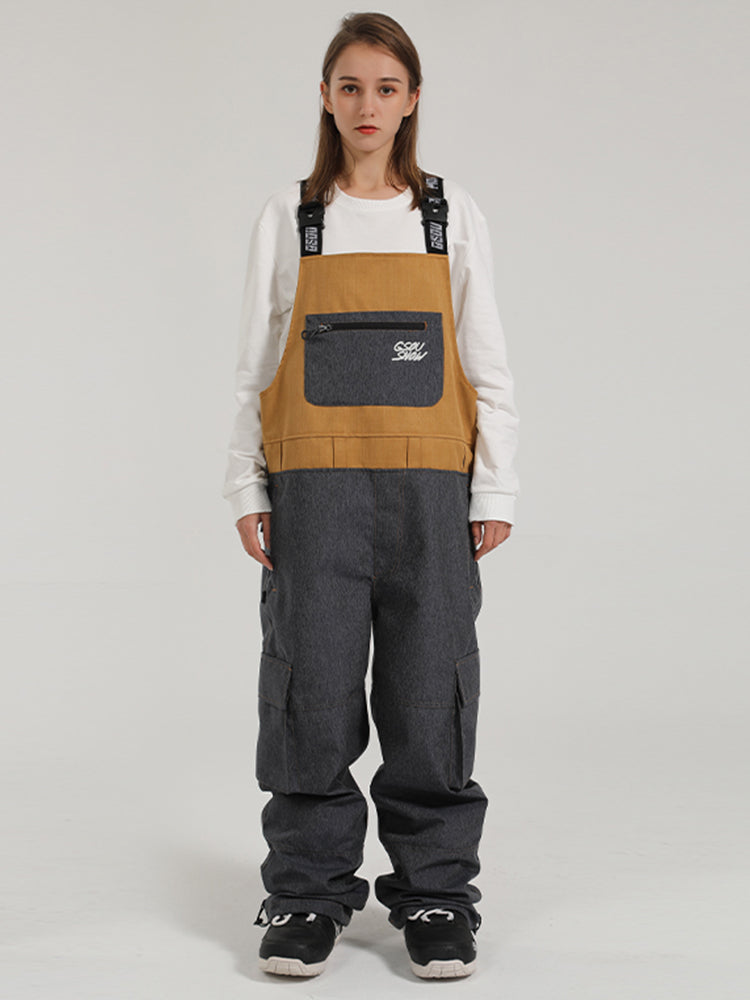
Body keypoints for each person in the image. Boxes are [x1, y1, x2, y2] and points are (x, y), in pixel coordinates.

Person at [222, 11, 520, 980]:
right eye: (350, 86)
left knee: (429, 694)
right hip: (312, 490)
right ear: (325, 96)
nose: (367, 104)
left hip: (433, 490)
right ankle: (306, 894)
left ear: (412, 100)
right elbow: (252, 367)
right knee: (310, 691)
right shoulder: (291, 216)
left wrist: (494, 486)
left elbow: (488, 361)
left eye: (386, 88)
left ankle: (436, 894)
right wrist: (246, 482)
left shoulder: (448, 213)